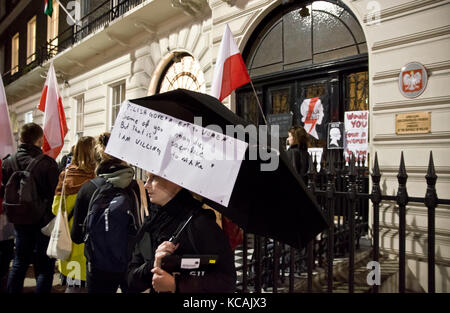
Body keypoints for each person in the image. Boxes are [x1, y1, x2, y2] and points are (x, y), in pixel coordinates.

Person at [127, 173, 236, 293]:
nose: (146, 185)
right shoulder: (152, 221)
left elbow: (227, 282)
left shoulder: (200, 223)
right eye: (147, 178)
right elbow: (131, 280)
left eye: (155, 178)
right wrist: (154, 263)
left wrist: (176, 284)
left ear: (176, 181)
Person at [71, 132, 141, 293]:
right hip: (131, 262)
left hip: (98, 264)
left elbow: (76, 236)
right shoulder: (138, 187)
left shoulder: (88, 188)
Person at [1, 123, 59, 293]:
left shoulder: (8, 162)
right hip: (43, 222)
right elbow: (54, 194)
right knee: (44, 267)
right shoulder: (48, 163)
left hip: (18, 219)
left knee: (19, 262)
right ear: (40, 140)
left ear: (21, 139)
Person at [51, 136, 96, 293]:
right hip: (94, 248)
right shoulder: (99, 178)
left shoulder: (65, 176)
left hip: (71, 244)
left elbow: (56, 208)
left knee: (73, 287)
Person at [0, 158, 14, 293]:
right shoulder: (6, 161)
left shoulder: (5, 161)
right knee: (6, 249)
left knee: (7, 249)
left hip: (4, 213)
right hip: (4, 213)